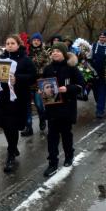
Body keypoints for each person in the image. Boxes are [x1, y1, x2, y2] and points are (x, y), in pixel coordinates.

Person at [0, 35, 36, 173]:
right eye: (7, 43)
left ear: (18, 44)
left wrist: (17, 79)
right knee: (5, 125)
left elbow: (33, 76)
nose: (9, 45)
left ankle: (11, 154)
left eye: (12, 43)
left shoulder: (25, 60)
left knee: (12, 125)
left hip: (17, 98)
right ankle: (13, 148)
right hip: (1, 97)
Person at [41, 42, 85, 177]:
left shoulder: (72, 68)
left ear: (64, 53)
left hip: (67, 107)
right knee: (52, 136)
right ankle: (52, 163)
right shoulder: (47, 68)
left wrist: (68, 89)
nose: (55, 53)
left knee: (66, 134)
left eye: (58, 51)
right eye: (53, 51)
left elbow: (81, 85)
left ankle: (69, 156)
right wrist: (41, 90)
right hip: (52, 107)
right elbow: (44, 84)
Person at [26, 32, 50, 134]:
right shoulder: (27, 52)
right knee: (27, 106)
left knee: (39, 104)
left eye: (38, 40)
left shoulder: (44, 53)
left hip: (39, 82)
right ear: (31, 41)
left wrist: (38, 72)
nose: (36, 42)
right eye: (34, 40)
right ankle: (28, 127)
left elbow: (47, 66)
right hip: (27, 82)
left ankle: (42, 118)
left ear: (40, 42)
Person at [90, 31, 106, 118]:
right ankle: (100, 105)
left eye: (104, 37)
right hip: (95, 72)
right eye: (100, 37)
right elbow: (89, 57)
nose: (102, 39)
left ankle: (100, 110)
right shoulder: (94, 45)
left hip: (105, 73)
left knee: (102, 91)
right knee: (96, 91)